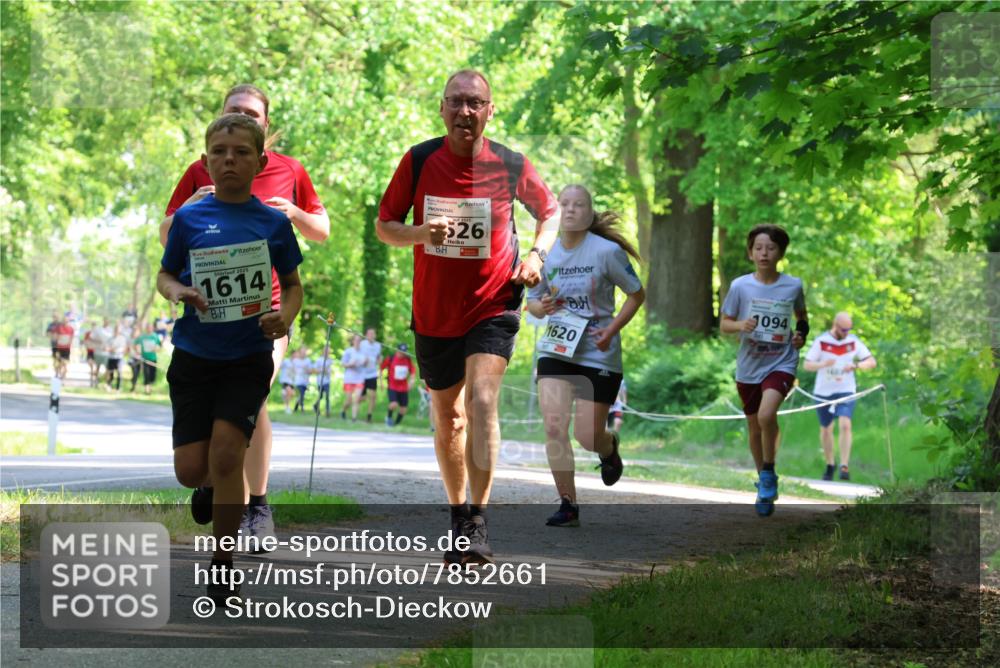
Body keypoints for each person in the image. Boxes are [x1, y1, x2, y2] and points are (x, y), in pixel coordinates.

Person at [376, 69, 560, 563]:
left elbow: (551, 211)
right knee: (448, 418)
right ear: (442, 108)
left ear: (490, 110)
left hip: (493, 303)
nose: (465, 112)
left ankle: (478, 518)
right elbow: (385, 226)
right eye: (456, 102)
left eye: (475, 103)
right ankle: (458, 511)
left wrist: (536, 257)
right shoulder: (418, 160)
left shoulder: (510, 163)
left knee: (481, 402)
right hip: (435, 311)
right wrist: (421, 235)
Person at [161, 84, 328, 542]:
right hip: (202, 328)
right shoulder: (201, 172)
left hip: (263, 320)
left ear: (265, 132)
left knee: (247, 410)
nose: (231, 157)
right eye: (234, 112)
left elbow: (320, 234)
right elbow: (167, 242)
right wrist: (179, 281)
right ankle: (213, 479)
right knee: (201, 456)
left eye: (252, 115)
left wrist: (292, 212)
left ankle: (249, 516)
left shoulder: (290, 173)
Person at [526, 185, 645, 527]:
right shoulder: (545, 253)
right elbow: (532, 303)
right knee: (553, 425)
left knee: (587, 436)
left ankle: (608, 449)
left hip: (598, 349)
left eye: (579, 205)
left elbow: (636, 295)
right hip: (557, 349)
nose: (571, 209)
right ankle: (568, 504)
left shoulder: (606, 252)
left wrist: (611, 330)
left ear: (590, 213)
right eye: (564, 203)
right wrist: (542, 305)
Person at [720, 224, 808, 517]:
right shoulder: (740, 286)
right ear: (750, 253)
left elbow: (802, 319)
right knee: (754, 427)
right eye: (758, 248)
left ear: (780, 252)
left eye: (770, 248)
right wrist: (741, 325)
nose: (764, 253)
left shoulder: (793, 285)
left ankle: (769, 470)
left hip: (781, 362)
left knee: (766, 415)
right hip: (749, 366)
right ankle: (763, 482)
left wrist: (800, 336)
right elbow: (724, 324)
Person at [803, 312, 877, 481]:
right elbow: (807, 365)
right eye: (844, 330)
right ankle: (830, 464)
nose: (846, 333)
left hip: (846, 389)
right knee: (826, 430)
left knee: (845, 424)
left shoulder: (853, 341)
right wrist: (822, 364)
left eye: (849, 329)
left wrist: (856, 365)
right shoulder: (822, 341)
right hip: (823, 391)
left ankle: (844, 465)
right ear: (835, 326)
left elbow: (872, 362)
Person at [381, 343, 416, 426]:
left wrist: (411, 381)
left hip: (403, 388)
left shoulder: (407, 360)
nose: (402, 354)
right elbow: (381, 368)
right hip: (392, 386)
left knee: (403, 409)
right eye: (401, 352)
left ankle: (395, 424)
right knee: (394, 404)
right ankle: (389, 417)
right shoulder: (391, 358)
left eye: (404, 352)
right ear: (397, 350)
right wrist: (381, 381)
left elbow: (413, 372)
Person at [340, 335, 366, 421]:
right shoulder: (348, 351)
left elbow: (366, 364)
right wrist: (350, 364)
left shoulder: (363, 352)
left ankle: (354, 418)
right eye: (356, 340)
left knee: (357, 398)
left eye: (360, 340)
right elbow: (343, 364)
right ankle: (343, 410)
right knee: (349, 400)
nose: (358, 342)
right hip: (349, 378)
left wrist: (365, 362)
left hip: (359, 378)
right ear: (353, 341)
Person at [133, 322, 163, 395]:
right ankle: (147, 390)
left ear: (152, 328)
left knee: (152, 375)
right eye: (148, 327)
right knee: (146, 374)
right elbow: (135, 344)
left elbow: (160, 346)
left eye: (150, 327)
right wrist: (138, 350)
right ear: (146, 328)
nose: (149, 329)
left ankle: (150, 386)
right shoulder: (142, 336)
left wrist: (157, 349)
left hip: (153, 358)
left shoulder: (155, 336)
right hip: (145, 359)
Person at [359, 328, 382, 423]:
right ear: (366, 335)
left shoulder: (378, 345)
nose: (371, 335)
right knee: (362, 398)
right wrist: (362, 361)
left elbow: (378, 357)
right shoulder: (362, 344)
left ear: (375, 335)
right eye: (369, 334)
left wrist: (379, 360)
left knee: (373, 396)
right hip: (362, 374)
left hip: (372, 374)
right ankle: (354, 408)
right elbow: (357, 355)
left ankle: (369, 415)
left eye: (373, 334)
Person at [50, 313, 74, 380]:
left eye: (66, 321)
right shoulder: (59, 328)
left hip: (66, 348)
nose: (65, 322)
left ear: (68, 321)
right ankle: (57, 374)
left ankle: (63, 376)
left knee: (65, 363)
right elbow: (54, 336)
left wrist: (69, 344)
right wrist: (58, 337)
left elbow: (71, 338)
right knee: (59, 362)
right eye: (64, 320)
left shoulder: (71, 329)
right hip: (59, 347)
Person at [313, 344, 333, 418]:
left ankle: (327, 411)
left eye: (328, 351)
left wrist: (329, 372)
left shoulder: (330, 360)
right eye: (326, 351)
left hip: (327, 380)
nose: (327, 352)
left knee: (327, 395)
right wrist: (322, 370)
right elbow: (315, 370)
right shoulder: (319, 360)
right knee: (320, 396)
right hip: (320, 381)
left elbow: (330, 370)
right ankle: (316, 406)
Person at [105, 324, 128, 391]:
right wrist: (110, 349)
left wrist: (116, 350)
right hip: (111, 357)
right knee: (110, 372)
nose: (117, 331)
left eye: (118, 330)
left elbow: (124, 348)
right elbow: (106, 347)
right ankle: (109, 385)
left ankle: (118, 388)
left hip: (119, 357)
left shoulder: (122, 339)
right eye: (116, 330)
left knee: (119, 372)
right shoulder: (110, 338)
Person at [291, 346, 312, 412]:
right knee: (301, 394)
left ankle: (295, 407)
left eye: (304, 352)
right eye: (302, 352)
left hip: (305, 381)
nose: (303, 353)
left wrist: (307, 370)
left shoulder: (308, 361)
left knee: (301, 395)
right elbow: (291, 370)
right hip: (297, 381)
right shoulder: (295, 361)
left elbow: (310, 371)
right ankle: (302, 408)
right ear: (299, 353)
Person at [82, 322, 100, 387]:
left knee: (97, 366)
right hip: (90, 351)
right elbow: (84, 341)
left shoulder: (98, 334)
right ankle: (91, 380)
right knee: (91, 364)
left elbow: (101, 342)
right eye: (93, 326)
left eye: (95, 327)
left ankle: (96, 380)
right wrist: (87, 345)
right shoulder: (88, 333)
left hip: (97, 351)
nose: (94, 328)